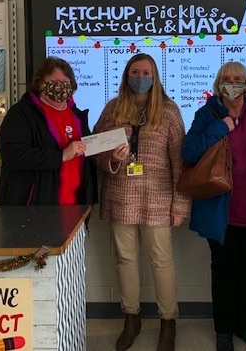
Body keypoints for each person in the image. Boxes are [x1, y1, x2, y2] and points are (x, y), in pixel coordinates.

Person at [93, 53, 191, 351]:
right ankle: (131, 318)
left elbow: (180, 161)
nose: (140, 76)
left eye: (146, 71)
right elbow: (95, 150)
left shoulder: (170, 111)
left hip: (159, 199)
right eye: (135, 71)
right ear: (126, 75)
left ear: (155, 75)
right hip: (121, 195)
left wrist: (180, 205)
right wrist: (111, 157)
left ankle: (168, 322)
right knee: (125, 260)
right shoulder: (113, 109)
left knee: (161, 261)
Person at [182, 62, 246, 351]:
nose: (232, 83)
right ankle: (223, 330)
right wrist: (218, 128)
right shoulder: (208, 113)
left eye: (238, 79)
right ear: (218, 85)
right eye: (226, 79)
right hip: (221, 213)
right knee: (223, 273)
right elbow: (189, 152)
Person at [0, 56, 97, 207]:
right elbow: (13, 154)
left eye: (65, 83)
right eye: (53, 83)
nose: (59, 88)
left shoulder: (77, 115)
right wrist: (62, 155)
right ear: (39, 84)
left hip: (75, 206)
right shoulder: (21, 113)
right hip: (35, 209)